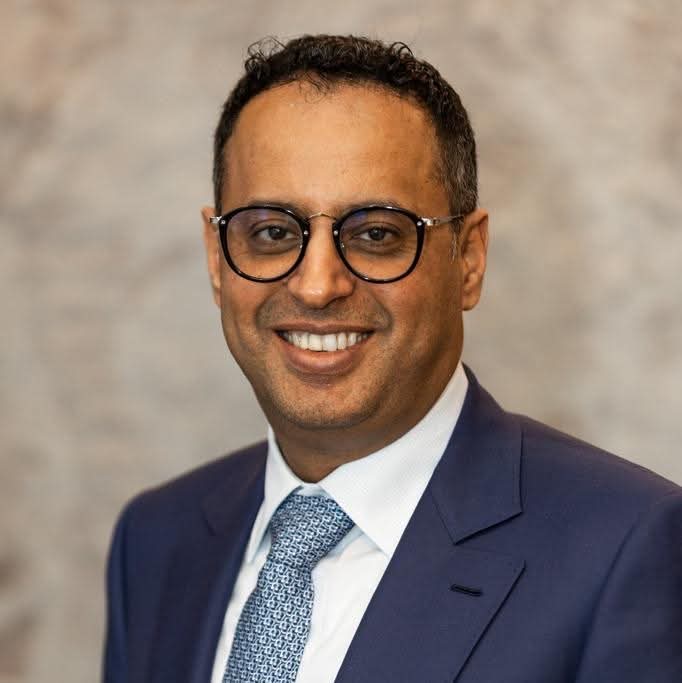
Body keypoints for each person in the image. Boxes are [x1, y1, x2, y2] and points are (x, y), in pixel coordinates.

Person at [103, 35, 682, 683]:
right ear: (217, 260)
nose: (317, 286)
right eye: (272, 232)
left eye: (375, 233)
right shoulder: (155, 541)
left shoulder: (628, 548)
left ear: (469, 259)